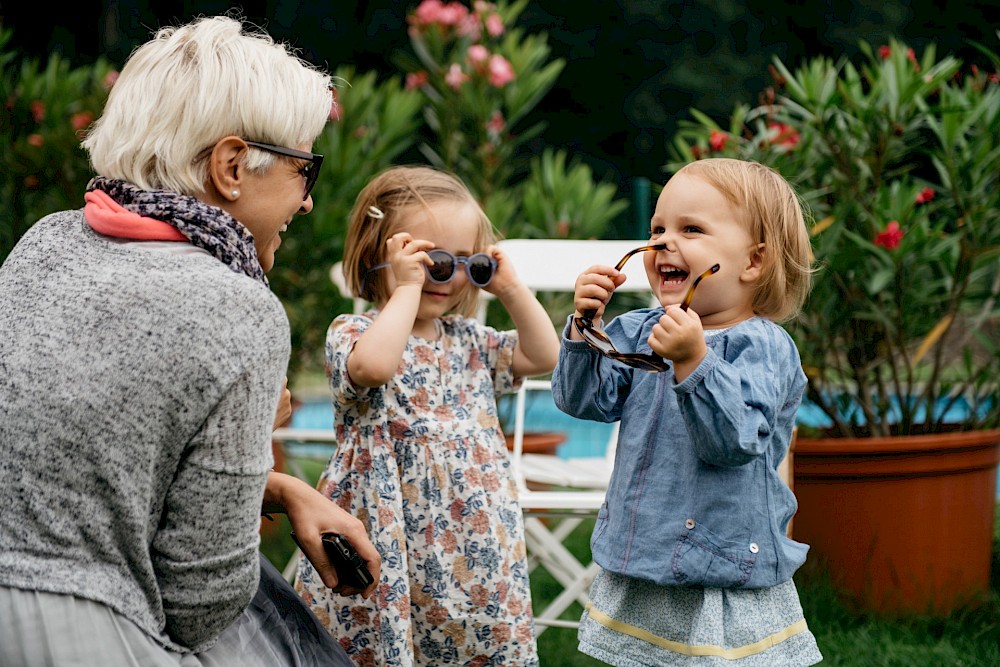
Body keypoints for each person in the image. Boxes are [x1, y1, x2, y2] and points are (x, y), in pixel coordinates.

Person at [0, 15, 379, 667]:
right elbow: (200, 599)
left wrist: (283, 488)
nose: (308, 202)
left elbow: (80, 468)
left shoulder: (45, 243)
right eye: (305, 171)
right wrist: (257, 432)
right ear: (232, 166)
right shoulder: (238, 309)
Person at [551, 158, 823, 666]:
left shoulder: (763, 346)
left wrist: (694, 361)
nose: (661, 244)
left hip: (719, 562)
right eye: (657, 229)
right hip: (648, 545)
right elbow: (584, 401)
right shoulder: (636, 328)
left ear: (753, 262)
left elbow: (735, 441)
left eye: (691, 229)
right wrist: (584, 329)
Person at [294, 165, 560, 666]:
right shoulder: (354, 332)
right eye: (432, 260)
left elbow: (543, 355)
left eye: (466, 263)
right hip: (388, 533)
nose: (447, 275)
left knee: (476, 638)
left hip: (473, 543)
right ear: (380, 257)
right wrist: (405, 290)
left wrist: (511, 289)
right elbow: (374, 367)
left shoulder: (471, 343)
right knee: (383, 638)